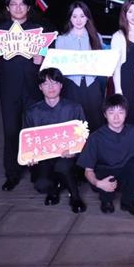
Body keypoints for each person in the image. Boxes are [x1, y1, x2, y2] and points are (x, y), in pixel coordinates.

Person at [0, 0, 43, 191]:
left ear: (28, 7)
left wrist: (41, 60)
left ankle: (37, 171)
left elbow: (48, 60)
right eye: (13, 4)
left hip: (34, 89)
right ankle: (12, 174)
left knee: (34, 131)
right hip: (9, 91)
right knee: (11, 132)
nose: (18, 7)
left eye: (22, 4)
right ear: (8, 8)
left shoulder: (38, 31)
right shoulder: (0, 32)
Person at [24, 68, 86, 213]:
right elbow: (27, 141)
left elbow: (83, 136)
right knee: (41, 185)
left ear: (61, 85)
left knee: (63, 166)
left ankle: (75, 196)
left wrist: (74, 151)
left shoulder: (74, 108)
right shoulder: (32, 112)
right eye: (46, 84)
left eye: (55, 83)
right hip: (45, 158)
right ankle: (55, 188)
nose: (51, 87)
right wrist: (29, 156)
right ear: (40, 87)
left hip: (68, 157)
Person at [77, 94, 134, 216]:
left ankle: (128, 201)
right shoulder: (96, 137)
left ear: (126, 114)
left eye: (120, 112)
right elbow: (88, 171)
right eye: (111, 113)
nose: (116, 117)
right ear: (105, 115)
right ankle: (106, 200)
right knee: (104, 173)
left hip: (125, 177)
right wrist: (98, 183)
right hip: (104, 176)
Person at [55, 1, 105, 131]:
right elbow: (58, 67)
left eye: (82, 16)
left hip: (92, 85)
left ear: (87, 17)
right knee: (73, 125)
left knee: (95, 122)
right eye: (75, 16)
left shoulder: (96, 37)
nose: (78, 20)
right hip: (71, 85)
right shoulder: (62, 40)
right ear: (70, 18)